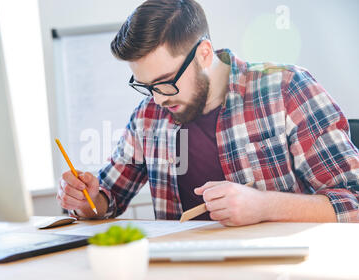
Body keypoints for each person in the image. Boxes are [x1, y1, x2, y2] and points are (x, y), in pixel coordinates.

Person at [57, 0, 359, 226]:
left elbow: (353, 204)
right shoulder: (147, 116)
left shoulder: (287, 89)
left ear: (204, 54)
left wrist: (265, 206)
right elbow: (108, 198)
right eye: (147, 86)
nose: (159, 99)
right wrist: (86, 200)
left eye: (166, 83)